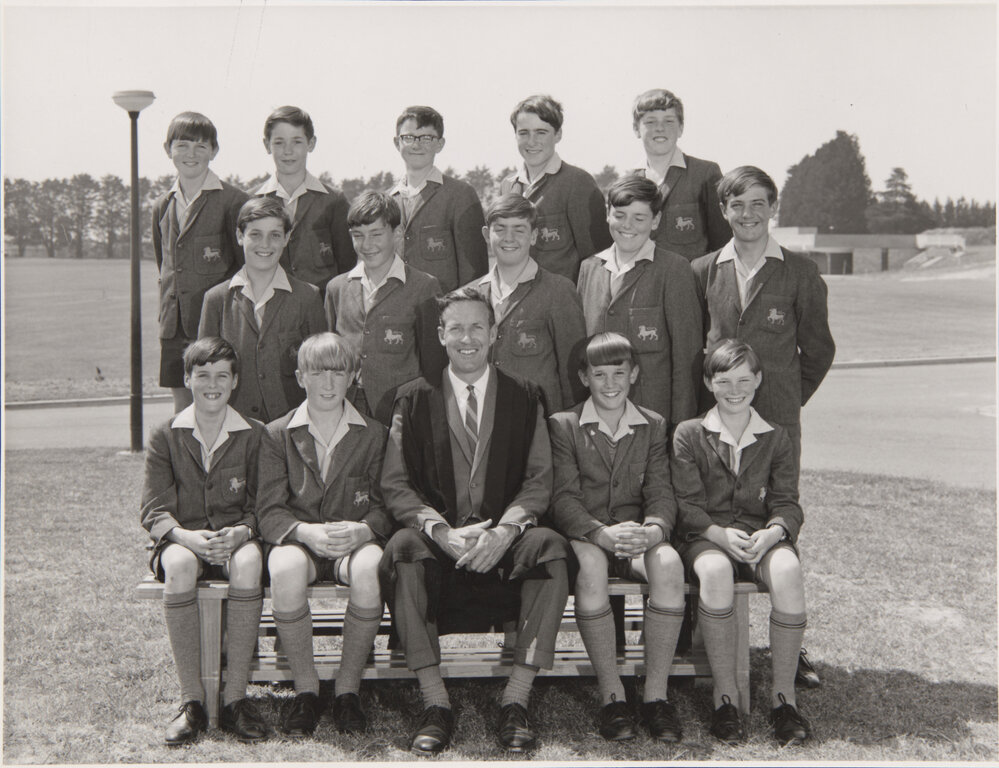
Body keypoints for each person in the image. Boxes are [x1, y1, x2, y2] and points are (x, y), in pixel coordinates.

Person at [378, 287, 572, 755]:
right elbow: (396, 484)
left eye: (477, 327)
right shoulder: (413, 398)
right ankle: (435, 704)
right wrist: (440, 532)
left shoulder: (525, 396)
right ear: (441, 334)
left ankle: (516, 701)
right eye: (457, 328)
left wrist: (506, 531)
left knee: (550, 546)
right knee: (402, 548)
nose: (468, 338)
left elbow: (539, 478)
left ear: (494, 333)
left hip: (502, 544)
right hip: (442, 546)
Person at [691, 166, 833, 689]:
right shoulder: (703, 268)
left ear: (773, 207)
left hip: (775, 422)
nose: (747, 214)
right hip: (715, 421)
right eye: (736, 204)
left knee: (776, 524)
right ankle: (701, 634)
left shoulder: (800, 271)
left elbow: (818, 351)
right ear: (723, 211)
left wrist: (783, 402)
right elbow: (696, 348)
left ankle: (789, 654)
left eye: (758, 203)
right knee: (712, 523)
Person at [671, 339, 811, 746]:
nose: (735, 390)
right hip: (706, 536)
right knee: (714, 572)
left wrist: (774, 531)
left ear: (759, 380)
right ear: (708, 382)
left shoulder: (776, 436)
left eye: (744, 380)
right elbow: (686, 504)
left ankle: (784, 698)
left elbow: (787, 502)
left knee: (787, 569)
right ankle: (725, 696)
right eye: (724, 380)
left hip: (758, 535)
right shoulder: (689, 433)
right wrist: (716, 534)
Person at [549, 332, 685, 742]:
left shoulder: (653, 423)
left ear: (634, 374)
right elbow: (564, 498)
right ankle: (612, 696)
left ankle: (655, 697)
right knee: (590, 567)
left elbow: (661, 491)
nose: (610, 384)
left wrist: (653, 530)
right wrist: (601, 534)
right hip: (590, 534)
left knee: (670, 563)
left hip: (636, 535)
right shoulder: (564, 425)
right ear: (584, 377)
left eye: (619, 374)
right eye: (599, 374)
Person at [256, 333, 392, 737]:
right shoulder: (276, 433)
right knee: (282, 569)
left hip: (354, 543)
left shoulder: (374, 433)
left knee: (370, 568)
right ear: (301, 378)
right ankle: (307, 689)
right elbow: (268, 508)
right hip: (302, 542)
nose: (328, 383)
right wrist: (303, 532)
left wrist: (365, 529)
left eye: (338, 372)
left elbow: (389, 503)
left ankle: (348, 689)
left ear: (353, 377)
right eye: (318, 372)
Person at [140, 337, 267, 745]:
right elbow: (154, 510)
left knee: (249, 563)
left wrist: (242, 532)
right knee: (177, 565)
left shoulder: (255, 434)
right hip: (184, 538)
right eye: (203, 375)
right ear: (187, 378)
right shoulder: (165, 435)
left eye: (222, 376)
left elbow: (263, 505)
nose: (212, 384)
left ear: (235, 382)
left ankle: (234, 700)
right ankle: (191, 702)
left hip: (236, 537)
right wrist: (186, 538)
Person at [576, 175, 702, 432]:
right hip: (598, 417)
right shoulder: (589, 268)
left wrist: (681, 421)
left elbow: (686, 352)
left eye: (639, 217)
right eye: (620, 215)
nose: (627, 225)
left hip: (652, 416)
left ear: (655, 220)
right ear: (607, 214)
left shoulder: (674, 269)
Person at [199, 196, 327, 423]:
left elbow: (319, 371)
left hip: (292, 426)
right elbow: (203, 374)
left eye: (275, 235)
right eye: (255, 234)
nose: (265, 244)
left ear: (287, 238)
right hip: (233, 425)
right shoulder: (216, 299)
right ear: (240, 236)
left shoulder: (308, 297)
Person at [152, 111, 248, 412]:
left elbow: (243, 268)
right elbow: (165, 264)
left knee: (221, 406)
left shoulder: (234, 201)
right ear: (168, 150)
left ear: (214, 151)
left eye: (200, 146)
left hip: (216, 325)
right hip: (174, 327)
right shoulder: (161, 205)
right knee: (182, 410)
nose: (190, 154)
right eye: (182, 145)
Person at [324, 190, 445, 424]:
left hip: (401, 411)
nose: (367, 245)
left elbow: (434, 365)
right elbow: (329, 355)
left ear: (397, 233)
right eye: (358, 235)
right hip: (345, 410)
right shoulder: (336, 288)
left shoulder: (424, 286)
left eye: (376, 234)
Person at [469, 193, 587, 415]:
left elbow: (573, 372)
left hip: (538, 425)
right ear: (486, 235)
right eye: (500, 229)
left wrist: (568, 431)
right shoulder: (469, 295)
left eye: (519, 229)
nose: (509, 238)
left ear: (534, 236)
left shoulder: (558, 290)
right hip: (483, 423)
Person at [498, 94, 611, 283]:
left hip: (562, 305)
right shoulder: (508, 185)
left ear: (558, 135)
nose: (531, 141)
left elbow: (596, 259)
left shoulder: (577, 182)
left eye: (541, 132)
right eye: (523, 132)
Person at [253, 105, 355, 289]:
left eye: (297, 141)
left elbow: (346, 263)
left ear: (311, 143)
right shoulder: (251, 201)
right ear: (266, 145)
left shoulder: (334, 201)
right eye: (279, 142)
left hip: (321, 308)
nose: (288, 150)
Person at [388, 105, 488, 292]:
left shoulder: (460, 194)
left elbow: (474, 270)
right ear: (397, 143)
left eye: (427, 138)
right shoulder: (386, 200)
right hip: (396, 314)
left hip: (443, 313)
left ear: (440, 144)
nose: (416, 145)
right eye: (408, 137)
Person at [630, 88, 730, 261]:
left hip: (691, 285)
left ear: (681, 128)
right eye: (650, 122)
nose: (660, 128)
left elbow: (722, 244)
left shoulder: (705, 173)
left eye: (669, 121)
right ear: (636, 129)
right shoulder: (628, 182)